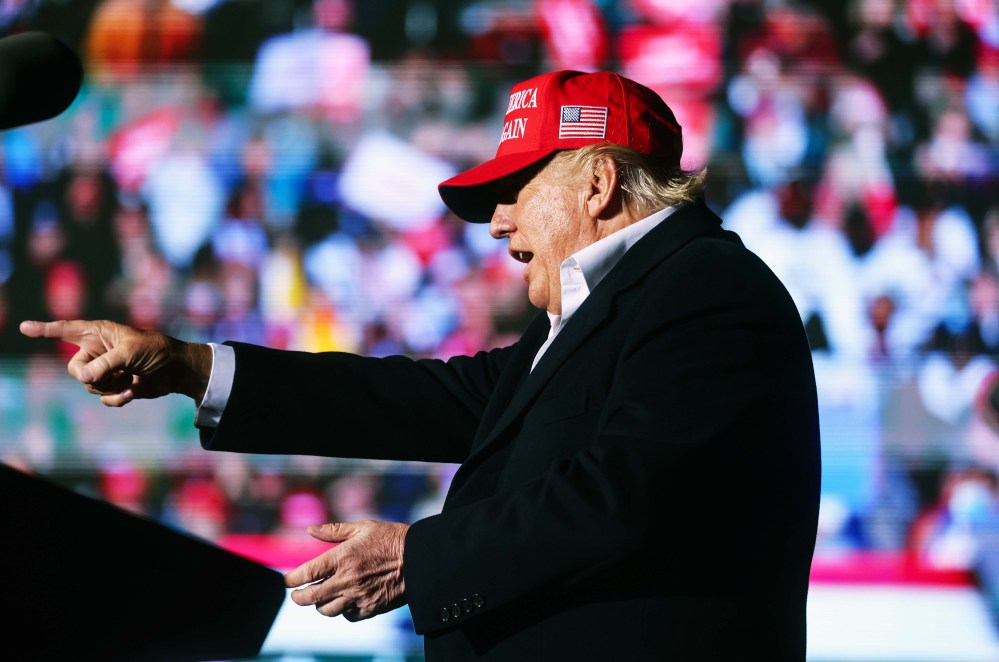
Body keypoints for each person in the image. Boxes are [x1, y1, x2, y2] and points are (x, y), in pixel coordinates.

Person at [21, 70, 821, 660]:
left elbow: (628, 492)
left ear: (600, 185)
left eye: (515, 188)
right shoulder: (612, 311)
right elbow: (422, 398)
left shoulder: (706, 287)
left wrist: (419, 558)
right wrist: (193, 367)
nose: (498, 221)